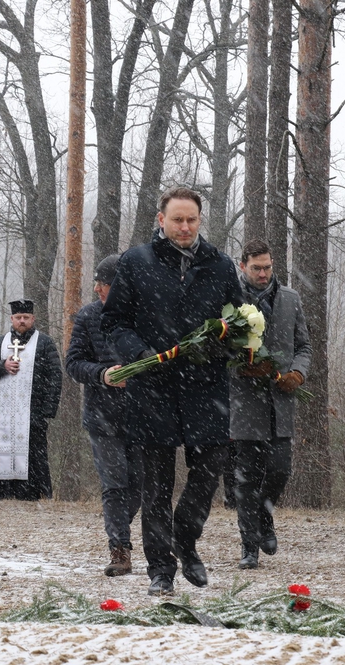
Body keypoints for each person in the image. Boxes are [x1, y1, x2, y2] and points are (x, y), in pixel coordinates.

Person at [100, 186, 242, 596]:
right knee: (156, 485)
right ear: (160, 220)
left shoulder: (218, 265)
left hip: (206, 386)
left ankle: (186, 537)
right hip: (153, 387)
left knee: (211, 466)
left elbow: (236, 322)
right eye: (177, 219)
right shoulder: (136, 262)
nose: (184, 227)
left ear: (200, 221)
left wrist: (223, 341)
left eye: (191, 220)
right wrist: (140, 354)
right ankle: (161, 569)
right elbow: (114, 323)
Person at [229, 240, 311, 570]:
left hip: (281, 402)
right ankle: (249, 547)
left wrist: (298, 374)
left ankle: (265, 514)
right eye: (256, 268)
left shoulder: (290, 299)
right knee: (246, 479)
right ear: (242, 266)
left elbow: (304, 346)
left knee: (280, 470)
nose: (263, 274)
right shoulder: (231, 301)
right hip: (244, 404)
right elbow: (217, 350)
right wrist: (240, 364)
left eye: (267, 267)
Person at [65, 254, 143, 576]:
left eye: (105, 284)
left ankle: (119, 529)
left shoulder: (146, 317)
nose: (98, 289)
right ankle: (119, 550)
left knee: (137, 485)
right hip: (101, 417)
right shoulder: (87, 317)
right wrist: (102, 374)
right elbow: (72, 363)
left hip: (141, 417)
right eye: (97, 282)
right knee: (114, 483)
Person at [0, 299, 62, 501]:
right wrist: (2, 365)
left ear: (33, 318)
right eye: (18, 318)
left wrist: (47, 410)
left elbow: (55, 376)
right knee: (5, 450)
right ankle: (4, 493)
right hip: (5, 415)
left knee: (34, 453)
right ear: (12, 318)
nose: (22, 321)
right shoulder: (1, 342)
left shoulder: (44, 342)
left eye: (26, 317)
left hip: (33, 411)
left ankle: (34, 493)